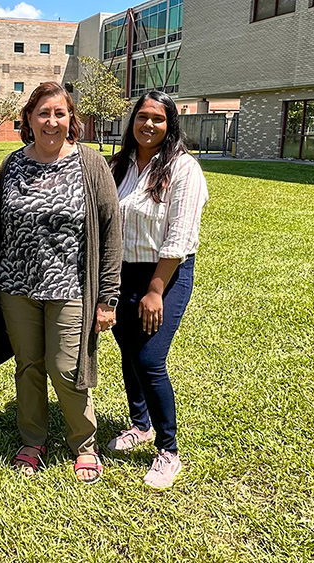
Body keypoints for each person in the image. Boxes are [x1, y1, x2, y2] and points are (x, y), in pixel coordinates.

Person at [0, 82, 122, 485]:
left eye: (59, 113)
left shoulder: (90, 163)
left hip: (71, 287)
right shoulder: (11, 164)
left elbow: (110, 229)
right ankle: (33, 440)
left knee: (66, 368)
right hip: (16, 286)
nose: (51, 121)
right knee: (29, 366)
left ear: (71, 120)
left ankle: (84, 443)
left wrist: (108, 298)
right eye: (43, 113)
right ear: (29, 119)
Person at [105, 90, 208, 489]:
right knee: (129, 352)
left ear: (170, 124)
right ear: (133, 121)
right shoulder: (120, 166)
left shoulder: (183, 169)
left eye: (158, 119)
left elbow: (180, 236)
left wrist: (154, 290)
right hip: (121, 274)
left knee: (149, 358)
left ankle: (168, 450)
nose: (148, 125)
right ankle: (140, 424)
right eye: (142, 117)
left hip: (164, 276)